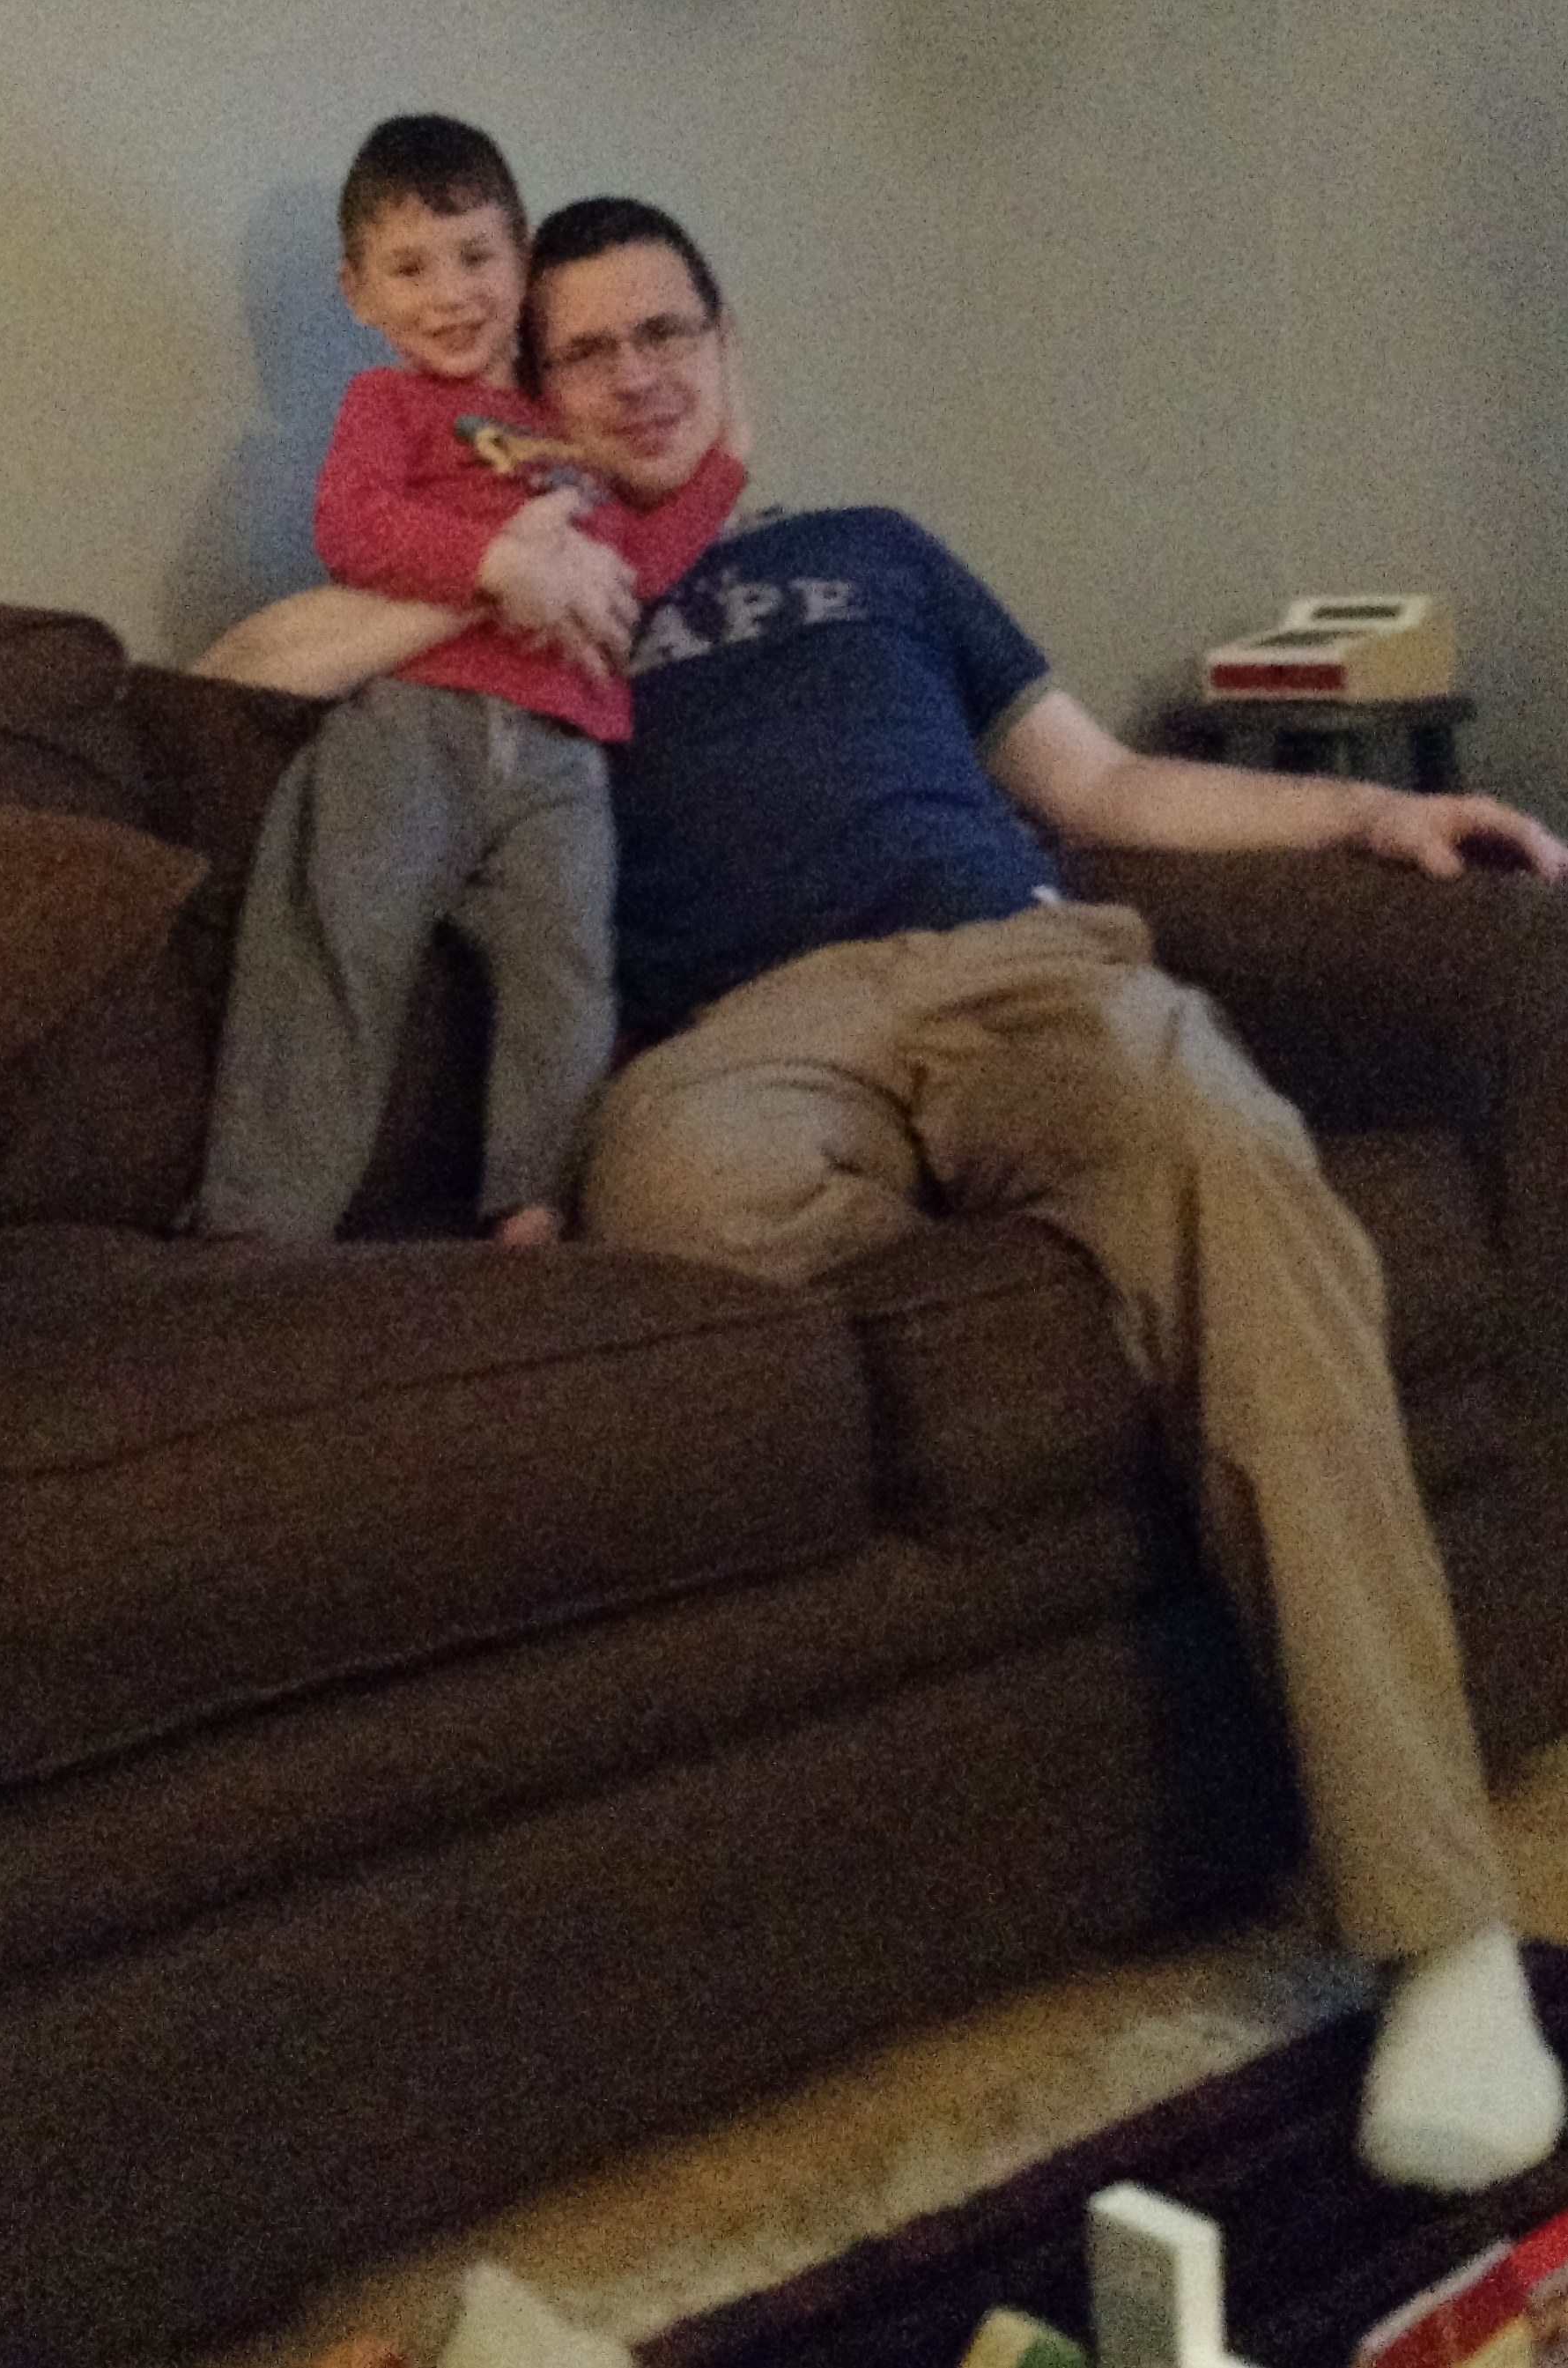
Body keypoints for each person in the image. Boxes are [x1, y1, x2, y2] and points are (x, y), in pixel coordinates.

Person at [195, 196, 1568, 2198]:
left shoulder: (876, 554)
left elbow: (1104, 788)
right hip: (743, 1045)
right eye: (585, 351)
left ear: (726, 343)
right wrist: (500, 563)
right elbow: (245, 670)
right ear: (531, 392)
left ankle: (1438, 1930)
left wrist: (1367, 808)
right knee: (664, 1204)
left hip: (1020, 966)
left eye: (667, 330)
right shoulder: (531, 589)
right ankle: (1098, 1251)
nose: (636, 373)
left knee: (1227, 1153)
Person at [195, 122, 743, 1247]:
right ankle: (258, 1227)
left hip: (562, 756)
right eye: (409, 268)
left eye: (476, 257)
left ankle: (535, 1206)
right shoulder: (387, 406)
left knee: (570, 975)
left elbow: (631, 571)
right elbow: (352, 528)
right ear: (358, 293)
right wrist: (499, 565)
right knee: (337, 947)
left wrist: (726, 467)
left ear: (522, 260)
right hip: (414, 723)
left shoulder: (574, 433)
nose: (450, 294)